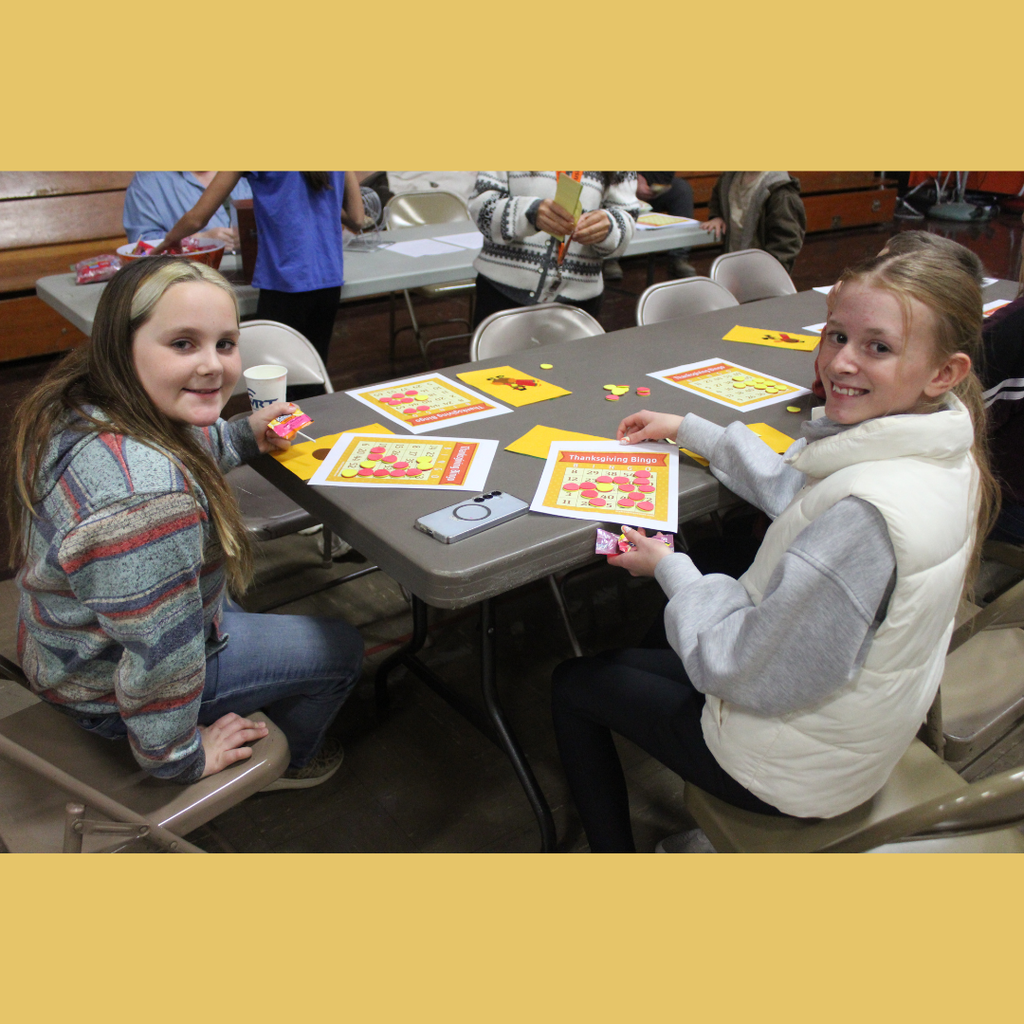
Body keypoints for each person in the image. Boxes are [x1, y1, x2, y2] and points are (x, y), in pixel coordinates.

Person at [551, 250, 997, 851]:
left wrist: (670, 566)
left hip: (789, 771)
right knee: (632, 659)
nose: (840, 361)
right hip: (852, 733)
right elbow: (801, 491)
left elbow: (740, 665)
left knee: (574, 684)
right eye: (837, 335)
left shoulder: (863, 521)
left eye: (878, 347)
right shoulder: (947, 451)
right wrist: (690, 428)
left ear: (943, 372)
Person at [6, 258, 363, 789]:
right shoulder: (146, 506)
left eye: (225, 343)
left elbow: (186, 447)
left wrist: (241, 436)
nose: (214, 366)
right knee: (341, 648)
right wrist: (180, 757)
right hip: (103, 689)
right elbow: (160, 659)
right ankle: (291, 762)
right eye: (183, 344)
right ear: (121, 348)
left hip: (64, 647)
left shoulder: (89, 400)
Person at [156, 172, 365, 385]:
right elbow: (357, 219)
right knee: (312, 378)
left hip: (285, 282)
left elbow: (197, 218)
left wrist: (168, 241)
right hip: (328, 279)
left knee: (274, 386)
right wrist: (326, 206)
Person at [468, 172, 639, 327]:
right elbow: (483, 209)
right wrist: (529, 213)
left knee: (572, 363)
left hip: (579, 303)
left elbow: (628, 215)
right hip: (502, 296)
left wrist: (609, 227)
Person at [701, 172, 806, 272]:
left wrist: (766, 275)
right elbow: (718, 194)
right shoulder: (729, 178)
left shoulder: (781, 193)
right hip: (733, 265)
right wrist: (717, 215)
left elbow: (786, 244)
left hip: (761, 274)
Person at [122, 171, 253, 248]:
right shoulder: (147, 181)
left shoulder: (248, 172)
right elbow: (141, 246)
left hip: (250, 270)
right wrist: (200, 241)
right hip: (185, 276)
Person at [605, 173, 696, 281]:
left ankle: (679, 256)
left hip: (649, 187)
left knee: (681, 189)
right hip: (617, 187)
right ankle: (610, 257)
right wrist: (632, 182)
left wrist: (647, 180)